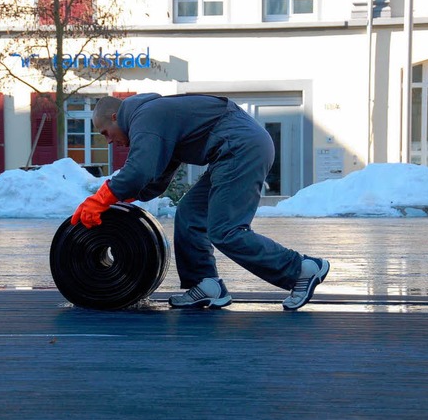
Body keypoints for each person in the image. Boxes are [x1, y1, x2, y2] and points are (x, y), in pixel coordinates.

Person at [71, 93, 329, 311]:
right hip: (232, 150)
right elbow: (155, 176)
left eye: (106, 132)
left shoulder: (145, 117)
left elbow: (139, 169)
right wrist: (119, 199)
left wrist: (101, 198)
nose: (108, 141)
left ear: (115, 117)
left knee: (226, 230)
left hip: (238, 148)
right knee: (190, 213)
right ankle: (206, 284)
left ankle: (301, 269)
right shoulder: (155, 115)